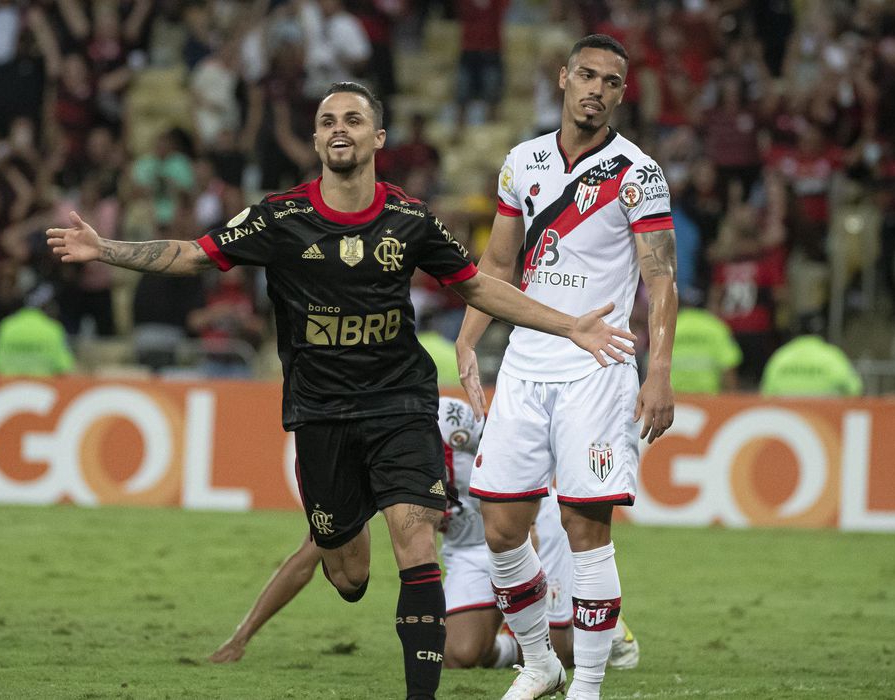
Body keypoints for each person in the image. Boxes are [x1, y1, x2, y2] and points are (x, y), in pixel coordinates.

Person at [47, 81, 635, 700]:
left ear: (377, 138)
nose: (339, 128)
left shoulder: (408, 218)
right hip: (320, 415)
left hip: (400, 404)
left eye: (353, 119)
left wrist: (569, 324)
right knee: (349, 574)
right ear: (316, 138)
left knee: (414, 536)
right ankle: (349, 552)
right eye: (328, 119)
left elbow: (479, 286)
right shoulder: (280, 217)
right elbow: (192, 254)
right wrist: (103, 249)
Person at [454, 35, 677, 700]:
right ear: (562, 77)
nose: (597, 89)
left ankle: (588, 684)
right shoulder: (522, 162)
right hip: (525, 362)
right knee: (500, 525)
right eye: (587, 74)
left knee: (585, 526)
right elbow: (496, 265)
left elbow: (660, 278)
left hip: (599, 367)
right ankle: (537, 661)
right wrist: (468, 342)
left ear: (621, 93)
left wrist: (660, 370)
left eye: (612, 81)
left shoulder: (638, 173)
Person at [206, 397, 641, 671]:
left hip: (528, 522)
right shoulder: (366, 470)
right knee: (458, 655)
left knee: (562, 653)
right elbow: (307, 559)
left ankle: (608, 625)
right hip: (469, 547)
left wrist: (529, 543)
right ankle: (507, 639)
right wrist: (241, 637)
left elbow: (518, 455)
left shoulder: (446, 418)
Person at [759, 334, 862, 397]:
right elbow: (855, 389)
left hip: (786, 420)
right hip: (829, 422)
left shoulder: (781, 356)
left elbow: (765, 393)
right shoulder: (832, 355)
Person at [669, 306, 742, 395]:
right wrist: (731, 398)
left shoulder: (670, 326)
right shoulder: (716, 327)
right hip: (709, 398)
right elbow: (729, 365)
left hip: (672, 397)